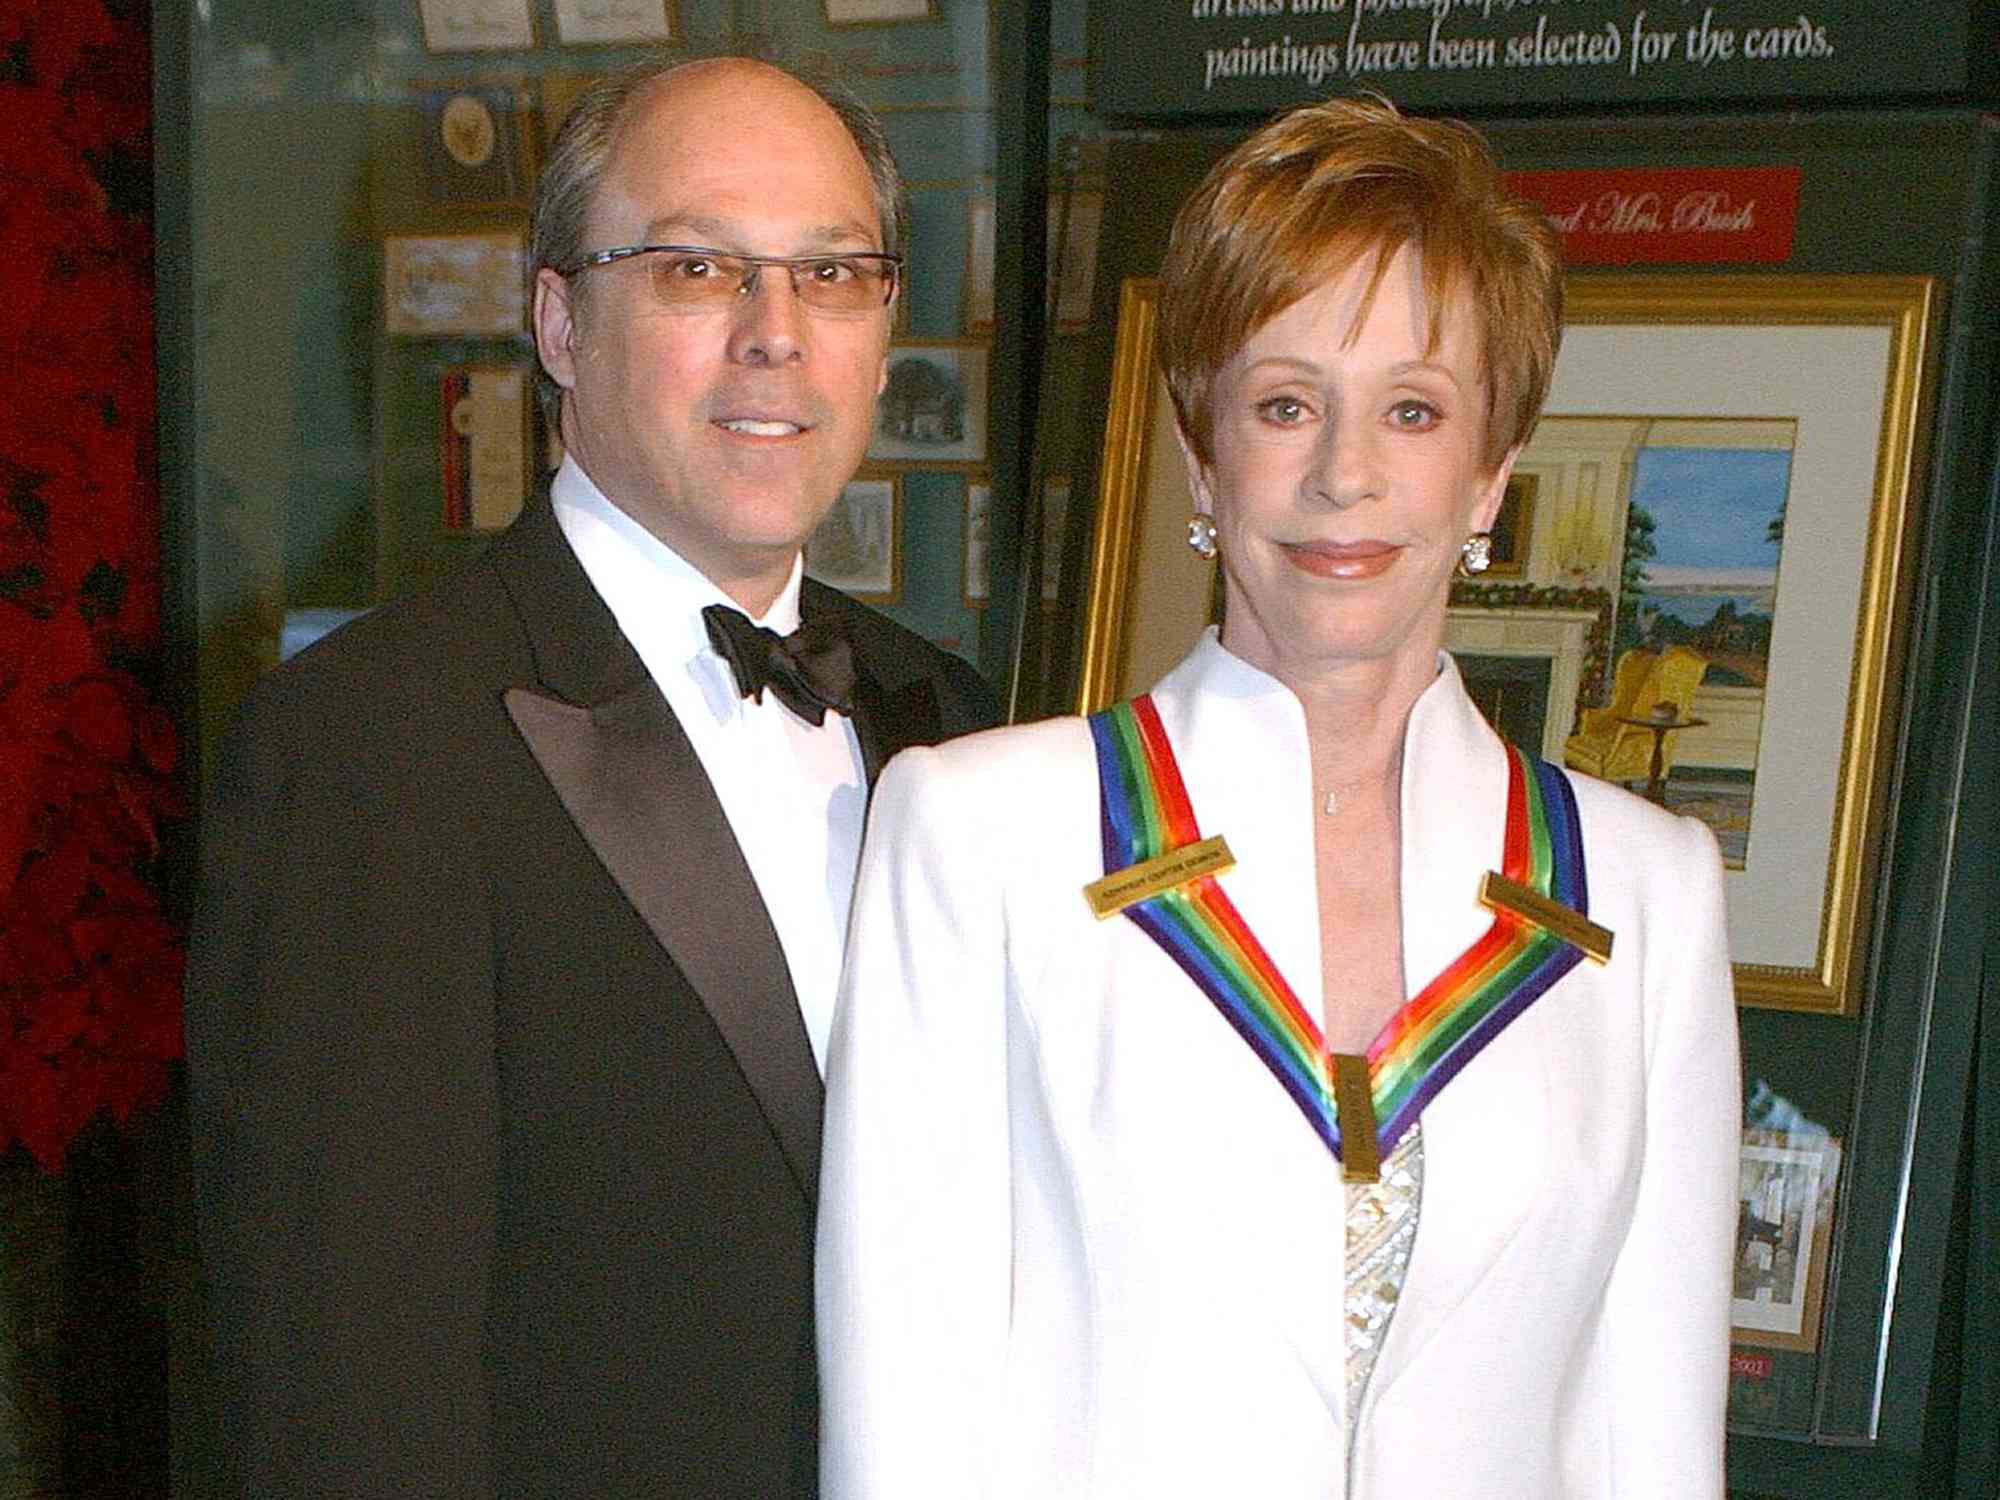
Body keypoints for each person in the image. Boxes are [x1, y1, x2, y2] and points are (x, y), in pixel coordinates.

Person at [817, 94, 1738, 1499]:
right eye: (1286, 403)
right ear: (1203, 455)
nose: (1344, 474)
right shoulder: (977, 836)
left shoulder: (1645, 890)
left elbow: (1656, 1442)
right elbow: (906, 1413)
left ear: (1492, 473)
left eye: (1414, 411)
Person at [186, 57, 997, 1500]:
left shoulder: (955, 722)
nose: (777, 336)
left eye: (832, 273)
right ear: (561, 320)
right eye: (699, 270)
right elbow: (343, 1403)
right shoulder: (371, 747)